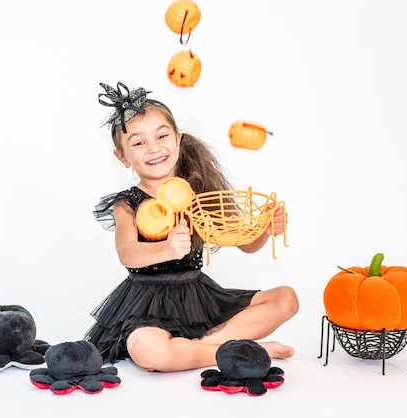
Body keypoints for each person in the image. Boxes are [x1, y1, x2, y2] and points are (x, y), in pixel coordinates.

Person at [84, 81, 299, 373]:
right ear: (122, 157)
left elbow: (245, 244)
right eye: (138, 142)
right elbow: (127, 253)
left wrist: (264, 229)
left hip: (199, 299)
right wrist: (167, 248)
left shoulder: (198, 193)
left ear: (177, 138)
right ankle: (236, 349)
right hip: (147, 303)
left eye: (162, 136)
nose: (154, 147)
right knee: (147, 349)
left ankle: (199, 349)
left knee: (286, 299)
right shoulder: (127, 204)